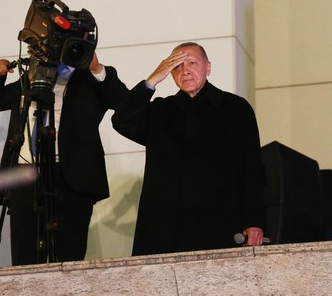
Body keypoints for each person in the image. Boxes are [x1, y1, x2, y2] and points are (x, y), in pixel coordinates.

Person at [111, 42, 266, 255]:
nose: (185, 71)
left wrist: (254, 221)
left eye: (192, 63)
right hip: (166, 230)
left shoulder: (235, 109)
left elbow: (252, 168)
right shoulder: (160, 112)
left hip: (221, 224)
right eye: (176, 66)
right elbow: (121, 120)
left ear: (208, 67)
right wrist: (152, 80)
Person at [0, 52, 128, 265]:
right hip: (24, 173)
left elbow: (123, 102)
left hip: (71, 177)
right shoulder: (31, 77)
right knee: (25, 258)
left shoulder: (88, 78)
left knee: (69, 257)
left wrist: (96, 68)